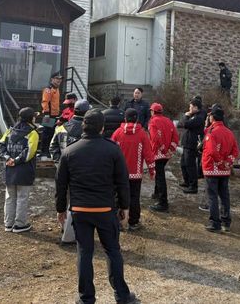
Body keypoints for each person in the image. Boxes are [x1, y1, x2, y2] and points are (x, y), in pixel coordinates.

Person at [55, 109, 137, 304]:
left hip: (80, 211)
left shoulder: (70, 151)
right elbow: (122, 181)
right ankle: (122, 296)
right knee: (112, 251)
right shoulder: (112, 149)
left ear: (83, 126)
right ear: (102, 128)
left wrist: (60, 209)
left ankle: (86, 298)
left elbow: (60, 184)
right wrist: (125, 207)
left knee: (84, 253)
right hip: (105, 210)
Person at [111, 108, 155, 230]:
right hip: (136, 173)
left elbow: (111, 151)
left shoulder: (118, 133)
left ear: (125, 118)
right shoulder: (142, 134)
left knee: (118, 197)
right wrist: (152, 170)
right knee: (134, 197)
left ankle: (118, 222)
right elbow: (148, 154)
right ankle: (133, 222)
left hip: (119, 173)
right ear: (137, 119)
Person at [0, 107, 39, 233]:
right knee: (22, 197)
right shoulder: (33, 133)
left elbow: (0, 146)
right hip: (24, 171)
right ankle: (20, 224)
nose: (35, 118)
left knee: (9, 197)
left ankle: (8, 224)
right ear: (31, 118)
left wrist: (8, 158)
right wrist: (15, 160)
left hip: (9, 170)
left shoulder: (9, 131)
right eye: (34, 116)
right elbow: (29, 153)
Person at [202, 105, 239, 233]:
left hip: (211, 168)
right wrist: (228, 162)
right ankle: (226, 222)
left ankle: (215, 223)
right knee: (224, 195)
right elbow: (235, 151)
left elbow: (212, 151)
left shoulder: (212, 133)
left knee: (212, 196)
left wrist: (220, 162)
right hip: (224, 171)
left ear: (212, 117)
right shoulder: (229, 132)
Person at [148, 102, 179, 212]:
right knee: (159, 173)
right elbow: (176, 136)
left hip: (158, 152)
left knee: (160, 176)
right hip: (167, 153)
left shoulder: (153, 122)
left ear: (153, 111)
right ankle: (157, 194)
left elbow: (155, 138)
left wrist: (162, 149)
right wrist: (171, 149)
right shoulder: (168, 121)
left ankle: (163, 203)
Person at [178, 98, 205, 194]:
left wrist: (186, 116)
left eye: (191, 107)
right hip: (187, 142)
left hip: (192, 144)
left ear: (196, 107)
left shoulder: (199, 117)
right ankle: (187, 181)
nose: (189, 109)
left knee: (190, 165)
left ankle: (193, 186)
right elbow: (181, 124)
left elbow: (186, 124)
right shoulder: (193, 115)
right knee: (183, 164)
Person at [41, 72, 63, 153]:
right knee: (46, 133)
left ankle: (49, 151)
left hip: (55, 115)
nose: (59, 80)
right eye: (57, 78)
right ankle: (44, 152)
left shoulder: (56, 89)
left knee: (52, 133)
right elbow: (45, 102)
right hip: (48, 115)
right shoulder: (48, 89)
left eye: (60, 79)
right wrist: (46, 114)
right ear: (52, 79)